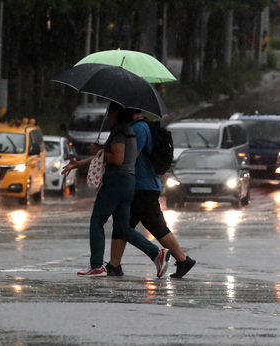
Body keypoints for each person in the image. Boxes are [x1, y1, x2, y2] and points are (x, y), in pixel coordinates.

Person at [62, 102, 170, 277]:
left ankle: (97, 265)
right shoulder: (128, 130)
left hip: (116, 181)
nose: (107, 115)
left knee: (97, 221)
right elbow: (103, 157)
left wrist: (98, 149)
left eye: (110, 111)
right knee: (122, 228)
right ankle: (156, 254)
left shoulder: (120, 132)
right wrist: (78, 164)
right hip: (128, 182)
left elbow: (117, 159)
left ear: (119, 113)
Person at [106, 109, 196, 279]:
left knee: (155, 226)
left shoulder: (139, 129)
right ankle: (114, 265)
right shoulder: (139, 127)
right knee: (123, 225)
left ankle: (183, 260)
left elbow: (131, 157)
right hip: (139, 186)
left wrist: (110, 154)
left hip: (143, 186)